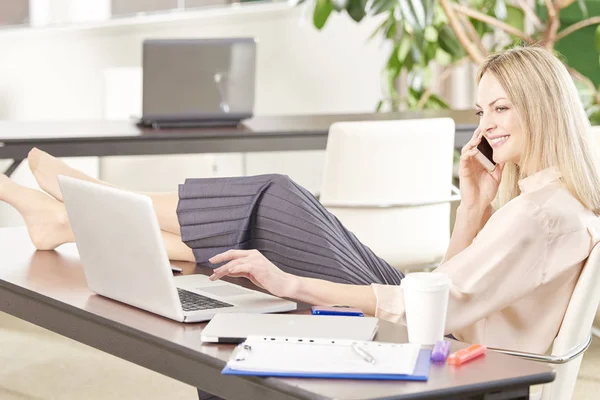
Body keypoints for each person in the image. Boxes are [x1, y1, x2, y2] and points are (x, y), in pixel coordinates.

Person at [1, 45, 599, 358]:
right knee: (263, 219)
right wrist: (472, 208)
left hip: (431, 341)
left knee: (276, 196)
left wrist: (291, 284)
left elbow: (436, 305)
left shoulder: (542, 213)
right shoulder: (545, 203)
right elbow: (447, 286)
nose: (487, 125)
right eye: (481, 111)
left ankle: (85, 203)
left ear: (542, 104)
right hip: (425, 315)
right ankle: (66, 215)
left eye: (502, 107)